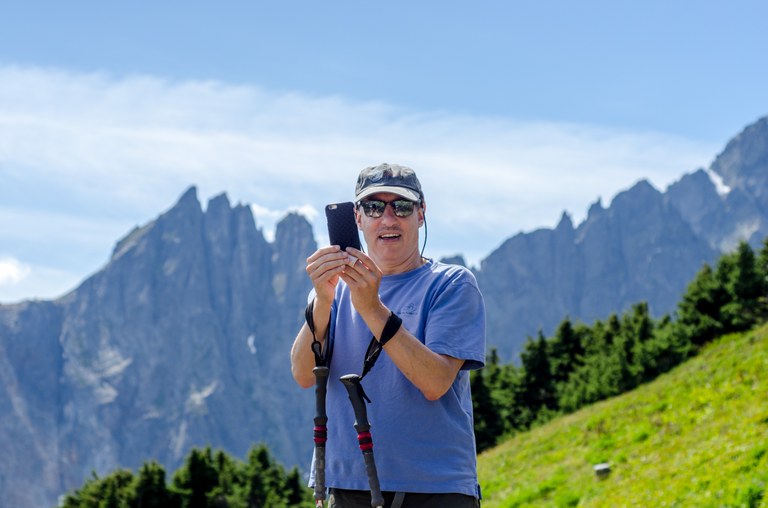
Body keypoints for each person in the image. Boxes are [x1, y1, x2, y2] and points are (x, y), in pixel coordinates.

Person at [290, 163, 486, 508]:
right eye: (374, 207)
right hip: (346, 485)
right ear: (357, 218)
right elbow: (303, 374)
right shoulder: (331, 291)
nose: (388, 218)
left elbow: (435, 382)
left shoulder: (452, 284)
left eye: (402, 206)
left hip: (435, 490)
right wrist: (322, 299)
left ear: (421, 214)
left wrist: (371, 307)